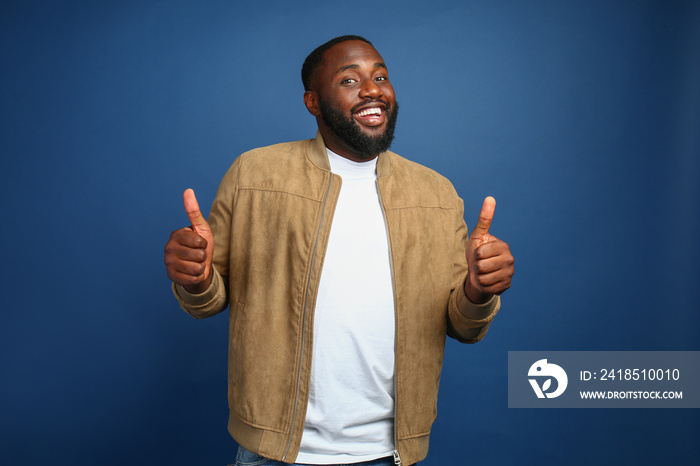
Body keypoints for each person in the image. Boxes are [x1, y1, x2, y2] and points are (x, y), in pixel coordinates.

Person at [164, 35, 514, 466]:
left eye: (380, 76)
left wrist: (479, 291)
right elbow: (209, 300)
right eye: (350, 80)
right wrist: (196, 279)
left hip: (388, 453)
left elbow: (464, 325)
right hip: (273, 450)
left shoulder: (436, 193)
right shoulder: (254, 174)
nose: (373, 90)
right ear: (313, 102)